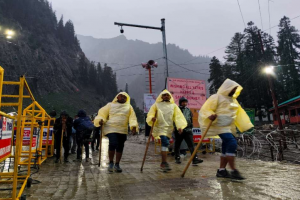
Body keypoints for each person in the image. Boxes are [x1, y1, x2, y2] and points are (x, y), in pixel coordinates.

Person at [199, 79, 253, 180]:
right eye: (233, 88)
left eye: (235, 89)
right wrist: (210, 115)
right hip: (219, 126)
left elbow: (239, 114)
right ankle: (233, 171)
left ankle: (221, 171)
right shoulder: (216, 97)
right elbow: (205, 109)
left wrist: (244, 125)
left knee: (225, 147)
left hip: (229, 127)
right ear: (227, 87)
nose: (234, 90)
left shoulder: (233, 101)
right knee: (232, 143)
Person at [94, 92, 138, 173]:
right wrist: (101, 120)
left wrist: (133, 126)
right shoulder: (110, 105)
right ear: (117, 97)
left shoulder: (129, 107)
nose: (123, 98)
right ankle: (111, 163)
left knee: (120, 146)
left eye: (125, 97)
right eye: (121, 96)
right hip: (111, 128)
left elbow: (132, 118)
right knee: (113, 143)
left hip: (122, 130)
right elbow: (102, 113)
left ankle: (117, 164)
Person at [146, 90, 187, 171]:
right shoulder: (156, 105)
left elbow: (178, 117)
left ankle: (163, 163)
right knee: (165, 142)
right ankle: (164, 162)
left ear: (170, 96)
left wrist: (180, 126)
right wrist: (152, 118)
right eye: (164, 95)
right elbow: (150, 114)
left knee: (166, 144)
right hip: (160, 127)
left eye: (167, 95)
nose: (166, 96)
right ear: (161, 96)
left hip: (169, 128)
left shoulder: (174, 106)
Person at [174, 97, 203, 165]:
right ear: (180, 103)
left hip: (188, 130)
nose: (185, 103)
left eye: (186, 102)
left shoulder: (188, 110)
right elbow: (175, 119)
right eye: (183, 102)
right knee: (177, 145)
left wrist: (191, 127)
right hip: (179, 130)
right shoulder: (177, 110)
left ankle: (194, 158)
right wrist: (178, 128)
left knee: (191, 145)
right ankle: (177, 158)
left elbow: (190, 118)